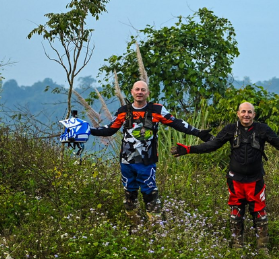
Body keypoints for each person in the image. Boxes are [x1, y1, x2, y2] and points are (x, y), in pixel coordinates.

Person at [171, 102, 279, 254]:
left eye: (249, 112)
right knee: (236, 213)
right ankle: (237, 246)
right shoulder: (230, 129)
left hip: (255, 180)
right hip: (235, 180)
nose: (246, 115)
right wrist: (189, 149)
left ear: (254, 115)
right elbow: (213, 145)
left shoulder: (262, 129)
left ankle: (263, 248)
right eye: (243, 112)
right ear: (238, 113)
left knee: (260, 214)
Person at [90, 80, 212, 228]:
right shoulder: (124, 111)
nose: (140, 92)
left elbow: (176, 122)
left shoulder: (156, 110)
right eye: (137, 89)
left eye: (143, 90)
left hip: (146, 161)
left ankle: (156, 228)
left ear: (147, 93)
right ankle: (134, 226)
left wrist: (198, 133)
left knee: (150, 193)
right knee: (129, 194)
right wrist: (88, 130)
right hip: (126, 161)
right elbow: (109, 129)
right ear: (132, 92)